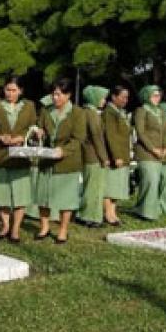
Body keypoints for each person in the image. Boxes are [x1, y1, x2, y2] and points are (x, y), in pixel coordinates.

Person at [35, 78, 85, 244]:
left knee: (66, 198)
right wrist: (39, 132)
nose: (55, 97)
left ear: (68, 95)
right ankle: (44, 227)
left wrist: (63, 151)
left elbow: (78, 139)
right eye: (53, 94)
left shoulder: (78, 113)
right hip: (47, 160)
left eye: (59, 94)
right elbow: (39, 127)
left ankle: (63, 230)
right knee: (43, 196)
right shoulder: (46, 111)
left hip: (67, 162)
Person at [0, 76, 37, 243]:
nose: (10, 93)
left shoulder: (29, 106)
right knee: (2, 194)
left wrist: (21, 137)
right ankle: (5, 226)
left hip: (20, 155)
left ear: (21, 91)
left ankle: (16, 229)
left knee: (20, 194)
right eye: (7, 90)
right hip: (0, 154)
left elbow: (33, 127)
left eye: (14, 90)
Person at [133, 85, 166, 221]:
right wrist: (153, 149)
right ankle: (145, 211)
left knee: (156, 182)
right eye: (154, 95)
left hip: (160, 153)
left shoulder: (161, 112)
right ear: (147, 96)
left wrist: (165, 148)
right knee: (149, 181)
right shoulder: (141, 111)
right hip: (146, 152)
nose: (157, 98)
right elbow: (140, 132)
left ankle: (149, 209)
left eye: (158, 95)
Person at [76, 85, 109, 228]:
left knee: (89, 185)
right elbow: (96, 136)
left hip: (88, 154)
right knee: (94, 187)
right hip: (94, 156)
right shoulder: (92, 114)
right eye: (102, 98)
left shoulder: (85, 112)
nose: (104, 101)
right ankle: (91, 216)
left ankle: (85, 214)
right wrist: (104, 157)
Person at [102, 85, 131, 225]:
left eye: (127, 97)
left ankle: (113, 212)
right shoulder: (110, 112)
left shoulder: (120, 112)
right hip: (114, 155)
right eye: (123, 97)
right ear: (114, 97)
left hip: (123, 154)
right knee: (110, 186)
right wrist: (116, 155)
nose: (126, 100)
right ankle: (108, 214)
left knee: (117, 186)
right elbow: (110, 135)